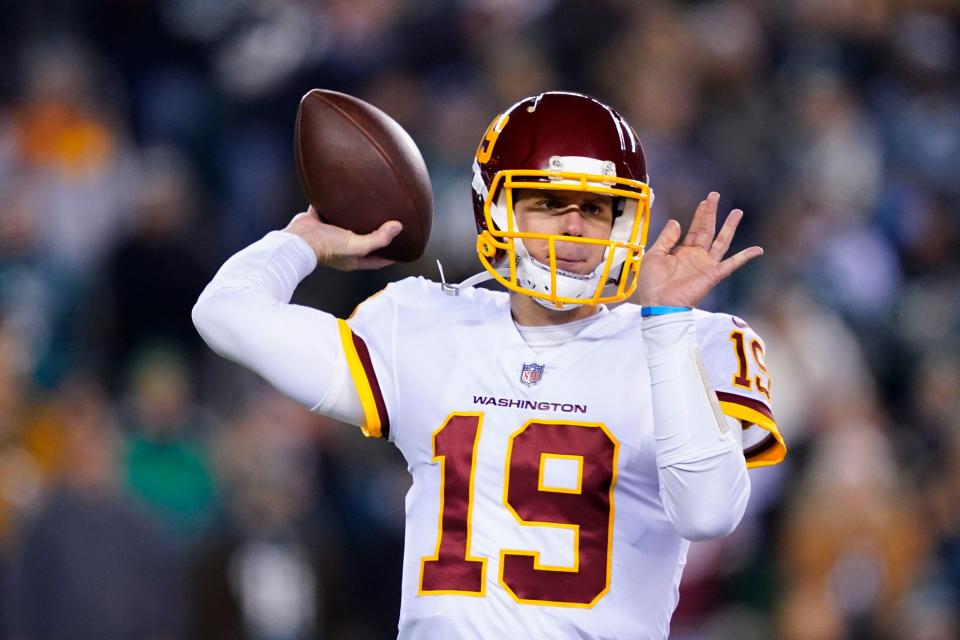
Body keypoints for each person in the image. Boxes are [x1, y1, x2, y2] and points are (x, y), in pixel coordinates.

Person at [192, 91, 786, 639]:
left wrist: (667, 324)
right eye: (548, 203)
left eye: (597, 209)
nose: (574, 226)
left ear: (626, 221)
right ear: (497, 210)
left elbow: (708, 513)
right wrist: (304, 242)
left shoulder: (687, 341)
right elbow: (225, 314)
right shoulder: (425, 323)